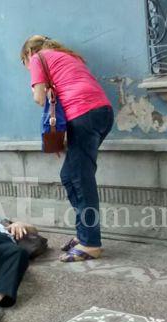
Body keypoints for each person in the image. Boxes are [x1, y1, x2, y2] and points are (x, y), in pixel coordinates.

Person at [21, 35, 114, 263]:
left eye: (24, 63)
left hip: (83, 114)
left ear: (28, 54)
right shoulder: (67, 57)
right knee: (70, 174)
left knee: (80, 178)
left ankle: (90, 243)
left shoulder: (38, 58)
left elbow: (39, 97)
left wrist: (41, 89)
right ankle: (84, 235)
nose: (27, 68)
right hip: (102, 113)